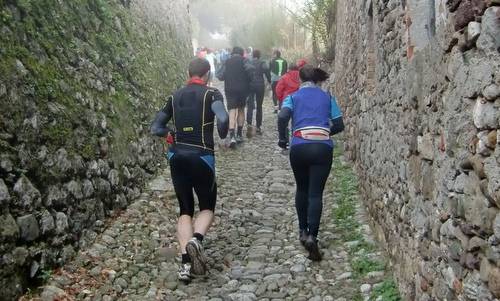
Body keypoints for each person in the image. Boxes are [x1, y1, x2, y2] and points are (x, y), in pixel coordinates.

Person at [150, 58, 229, 281]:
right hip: (201, 155)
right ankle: (197, 239)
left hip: (176, 155)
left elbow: (155, 127)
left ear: (188, 72)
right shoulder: (212, 94)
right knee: (206, 206)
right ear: (207, 75)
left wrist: (170, 135)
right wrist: (223, 135)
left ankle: (185, 264)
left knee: (185, 209)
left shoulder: (174, 96)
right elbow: (222, 118)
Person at [277, 65, 344, 261]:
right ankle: (313, 236)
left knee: (302, 188)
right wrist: (323, 133)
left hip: (299, 146)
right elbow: (339, 124)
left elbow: (282, 117)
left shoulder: (293, 97)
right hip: (322, 148)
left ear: (300, 80)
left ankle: (302, 231)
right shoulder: (327, 97)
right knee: (316, 193)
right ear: (316, 80)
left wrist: (283, 139)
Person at [220, 46, 254, 147]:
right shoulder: (245, 60)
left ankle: (232, 136)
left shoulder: (227, 61)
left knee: (232, 111)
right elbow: (251, 72)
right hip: (243, 89)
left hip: (230, 89)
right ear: (241, 53)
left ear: (232, 53)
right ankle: (239, 134)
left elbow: (220, 75)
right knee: (241, 110)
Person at [246, 49, 271, 135]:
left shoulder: (249, 62)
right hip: (260, 85)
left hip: (250, 85)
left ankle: (249, 124)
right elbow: (267, 69)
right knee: (259, 106)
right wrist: (269, 80)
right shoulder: (262, 62)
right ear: (259, 55)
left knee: (250, 105)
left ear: (253, 55)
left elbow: (245, 72)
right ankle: (258, 126)